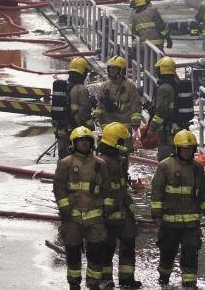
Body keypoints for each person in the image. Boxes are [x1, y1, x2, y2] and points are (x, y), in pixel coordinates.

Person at [150, 129, 205, 288]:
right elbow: (157, 192)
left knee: (191, 251)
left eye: (190, 149)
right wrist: (157, 215)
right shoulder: (165, 166)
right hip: (169, 222)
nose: (187, 152)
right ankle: (164, 277)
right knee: (167, 251)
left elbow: (203, 193)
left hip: (191, 223)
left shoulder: (197, 168)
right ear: (177, 149)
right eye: (184, 149)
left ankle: (189, 282)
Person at [54, 126, 110, 290]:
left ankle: (93, 283)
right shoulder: (66, 163)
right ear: (74, 143)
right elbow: (59, 188)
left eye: (87, 141)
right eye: (81, 141)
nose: (84, 144)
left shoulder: (100, 164)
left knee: (96, 253)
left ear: (92, 143)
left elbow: (107, 189)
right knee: (72, 252)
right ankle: (74, 283)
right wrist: (65, 209)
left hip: (95, 219)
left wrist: (107, 209)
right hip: (72, 218)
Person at [97, 122, 142, 289]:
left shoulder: (120, 160)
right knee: (107, 246)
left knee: (129, 241)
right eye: (123, 141)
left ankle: (127, 278)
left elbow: (120, 183)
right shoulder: (101, 162)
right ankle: (105, 279)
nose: (125, 144)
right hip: (108, 211)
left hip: (123, 207)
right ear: (115, 142)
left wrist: (132, 184)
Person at [145, 56, 183, 160]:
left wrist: (151, 128)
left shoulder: (164, 88)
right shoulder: (175, 83)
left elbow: (161, 112)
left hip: (166, 127)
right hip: (176, 124)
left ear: (161, 71)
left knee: (165, 155)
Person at [56, 57, 94, 158]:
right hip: (77, 132)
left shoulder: (62, 87)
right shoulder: (81, 89)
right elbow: (85, 113)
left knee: (63, 160)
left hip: (62, 130)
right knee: (81, 160)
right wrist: (91, 127)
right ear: (83, 73)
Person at [95, 56, 143, 131]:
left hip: (124, 126)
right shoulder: (105, 85)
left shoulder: (129, 86)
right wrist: (96, 115)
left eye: (115, 68)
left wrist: (135, 122)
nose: (112, 70)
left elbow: (136, 105)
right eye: (110, 68)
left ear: (121, 70)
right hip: (107, 125)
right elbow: (100, 104)